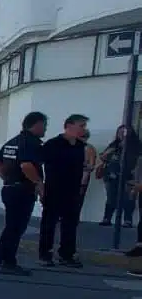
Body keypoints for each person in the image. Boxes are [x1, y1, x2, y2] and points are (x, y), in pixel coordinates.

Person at [0, 111, 47, 276]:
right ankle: (8, 262)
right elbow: (26, 166)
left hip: (10, 188)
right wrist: (38, 183)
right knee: (16, 228)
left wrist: (7, 178)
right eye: (44, 125)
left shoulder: (13, 141)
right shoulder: (30, 143)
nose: (45, 129)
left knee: (10, 227)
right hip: (22, 190)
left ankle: (0, 260)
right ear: (36, 125)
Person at [38, 114, 89, 268]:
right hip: (54, 189)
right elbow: (38, 163)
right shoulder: (53, 144)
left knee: (70, 224)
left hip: (72, 191)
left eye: (84, 126)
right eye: (81, 125)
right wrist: (40, 186)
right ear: (69, 125)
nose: (83, 129)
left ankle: (66, 254)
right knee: (49, 223)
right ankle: (45, 254)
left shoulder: (81, 146)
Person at [97, 125, 141, 228]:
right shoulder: (114, 144)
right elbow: (103, 157)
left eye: (124, 132)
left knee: (128, 199)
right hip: (111, 175)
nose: (122, 134)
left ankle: (127, 220)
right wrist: (106, 154)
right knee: (111, 197)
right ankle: (106, 218)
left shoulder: (137, 146)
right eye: (120, 132)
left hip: (129, 175)